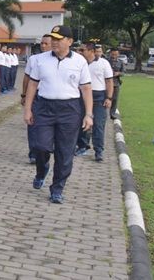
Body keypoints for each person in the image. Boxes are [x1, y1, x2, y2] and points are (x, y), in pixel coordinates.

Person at [23, 25, 93, 204]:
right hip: (44, 107)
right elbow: (32, 84)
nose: (53, 42)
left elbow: (86, 88)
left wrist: (89, 114)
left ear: (69, 41)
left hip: (70, 110)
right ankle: (42, 170)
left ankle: (57, 188)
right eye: (52, 39)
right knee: (40, 146)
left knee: (65, 152)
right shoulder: (40, 60)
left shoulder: (79, 61)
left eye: (58, 39)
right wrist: (28, 108)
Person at [75, 42, 114, 161]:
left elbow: (109, 81)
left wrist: (109, 97)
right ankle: (82, 146)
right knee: (81, 122)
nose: (80, 52)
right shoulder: (80, 63)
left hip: (99, 96)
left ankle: (99, 150)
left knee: (98, 125)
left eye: (83, 50)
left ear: (91, 51)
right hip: (82, 95)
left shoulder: (103, 63)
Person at [21, 34, 52, 163]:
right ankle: (33, 153)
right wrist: (24, 95)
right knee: (33, 125)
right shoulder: (34, 59)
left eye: (46, 43)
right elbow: (27, 78)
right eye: (42, 43)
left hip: (50, 96)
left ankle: (46, 150)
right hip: (35, 95)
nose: (43, 46)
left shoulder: (57, 60)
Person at [108, 48, 125, 119]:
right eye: (112, 54)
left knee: (115, 99)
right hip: (107, 83)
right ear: (110, 53)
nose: (114, 56)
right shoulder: (106, 61)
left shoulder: (120, 62)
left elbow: (123, 72)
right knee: (106, 98)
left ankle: (112, 114)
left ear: (118, 54)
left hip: (116, 83)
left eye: (116, 54)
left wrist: (118, 73)